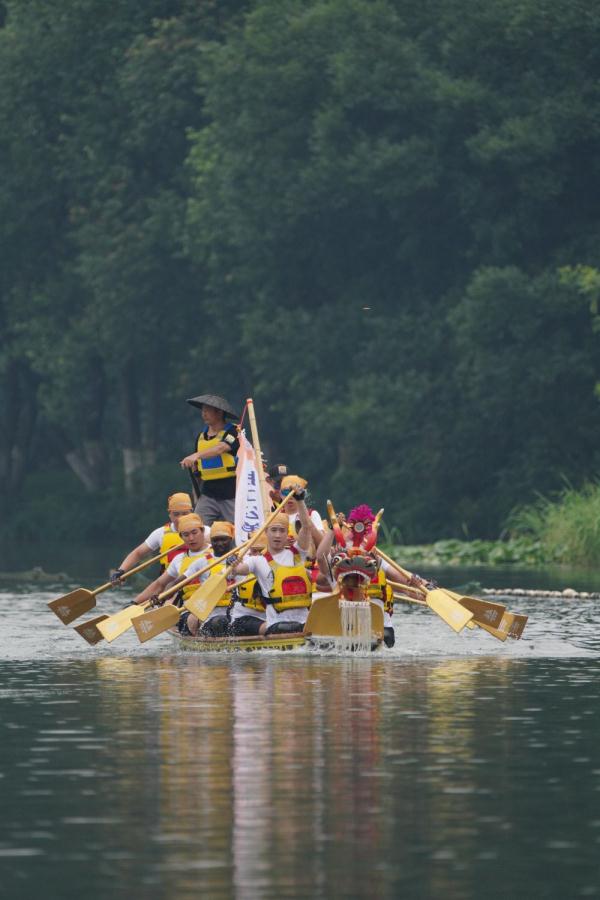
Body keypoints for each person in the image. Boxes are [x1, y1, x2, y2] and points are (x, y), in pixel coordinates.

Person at [231, 488, 313, 635]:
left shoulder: (298, 553)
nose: (277, 535)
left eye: (282, 531)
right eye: (273, 530)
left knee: (307, 626)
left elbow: (306, 527)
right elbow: (238, 570)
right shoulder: (257, 561)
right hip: (277, 626)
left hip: (304, 623)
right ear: (266, 532)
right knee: (294, 628)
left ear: (287, 533)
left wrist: (300, 500)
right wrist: (233, 565)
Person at [131, 514, 213, 636]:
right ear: (181, 537)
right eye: (186, 535)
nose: (191, 538)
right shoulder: (179, 559)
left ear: (202, 531)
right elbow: (159, 584)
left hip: (215, 607)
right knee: (188, 619)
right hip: (188, 609)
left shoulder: (218, 553)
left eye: (194, 532)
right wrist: (135, 603)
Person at [180, 393, 240, 526]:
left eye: (207, 410)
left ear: (219, 412)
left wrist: (196, 455)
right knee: (196, 527)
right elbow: (197, 471)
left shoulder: (234, 432)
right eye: (202, 410)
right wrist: (196, 496)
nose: (203, 414)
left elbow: (221, 448)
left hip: (231, 492)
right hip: (208, 493)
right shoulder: (200, 437)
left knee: (238, 531)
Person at [110, 492, 195, 583]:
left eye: (185, 514)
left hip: (197, 581)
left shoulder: (204, 531)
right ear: (169, 514)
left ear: (192, 512)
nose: (180, 518)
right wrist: (121, 571)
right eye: (176, 514)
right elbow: (138, 553)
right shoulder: (160, 533)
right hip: (170, 584)